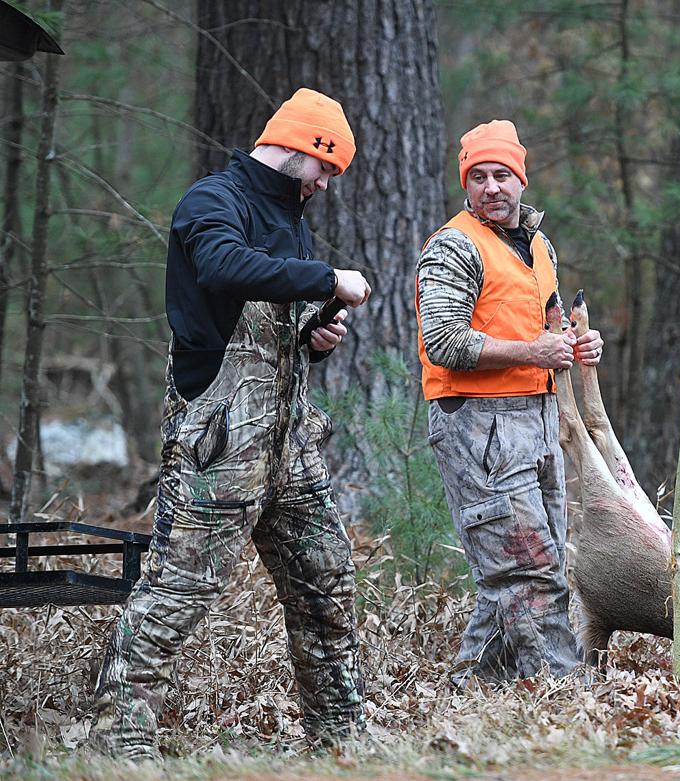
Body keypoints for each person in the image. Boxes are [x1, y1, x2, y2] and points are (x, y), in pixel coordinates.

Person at [90, 88, 373, 760]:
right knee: (178, 593)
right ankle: (118, 743)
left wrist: (313, 336)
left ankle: (341, 743)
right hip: (219, 444)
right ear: (301, 147)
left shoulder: (292, 216)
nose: (327, 184)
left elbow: (275, 320)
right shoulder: (213, 200)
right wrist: (327, 277)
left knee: (327, 581)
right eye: (327, 167)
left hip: (290, 446)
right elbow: (222, 268)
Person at [416, 119, 603, 682]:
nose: (491, 187)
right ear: (466, 184)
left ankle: (468, 693)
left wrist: (576, 343)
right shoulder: (453, 246)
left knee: (528, 567)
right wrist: (533, 350)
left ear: (522, 179)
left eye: (502, 175)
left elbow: (545, 331)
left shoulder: (539, 246)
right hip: (478, 427)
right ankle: (564, 697)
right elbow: (443, 341)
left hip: (538, 421)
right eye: (478, 177)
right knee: (529, 571)